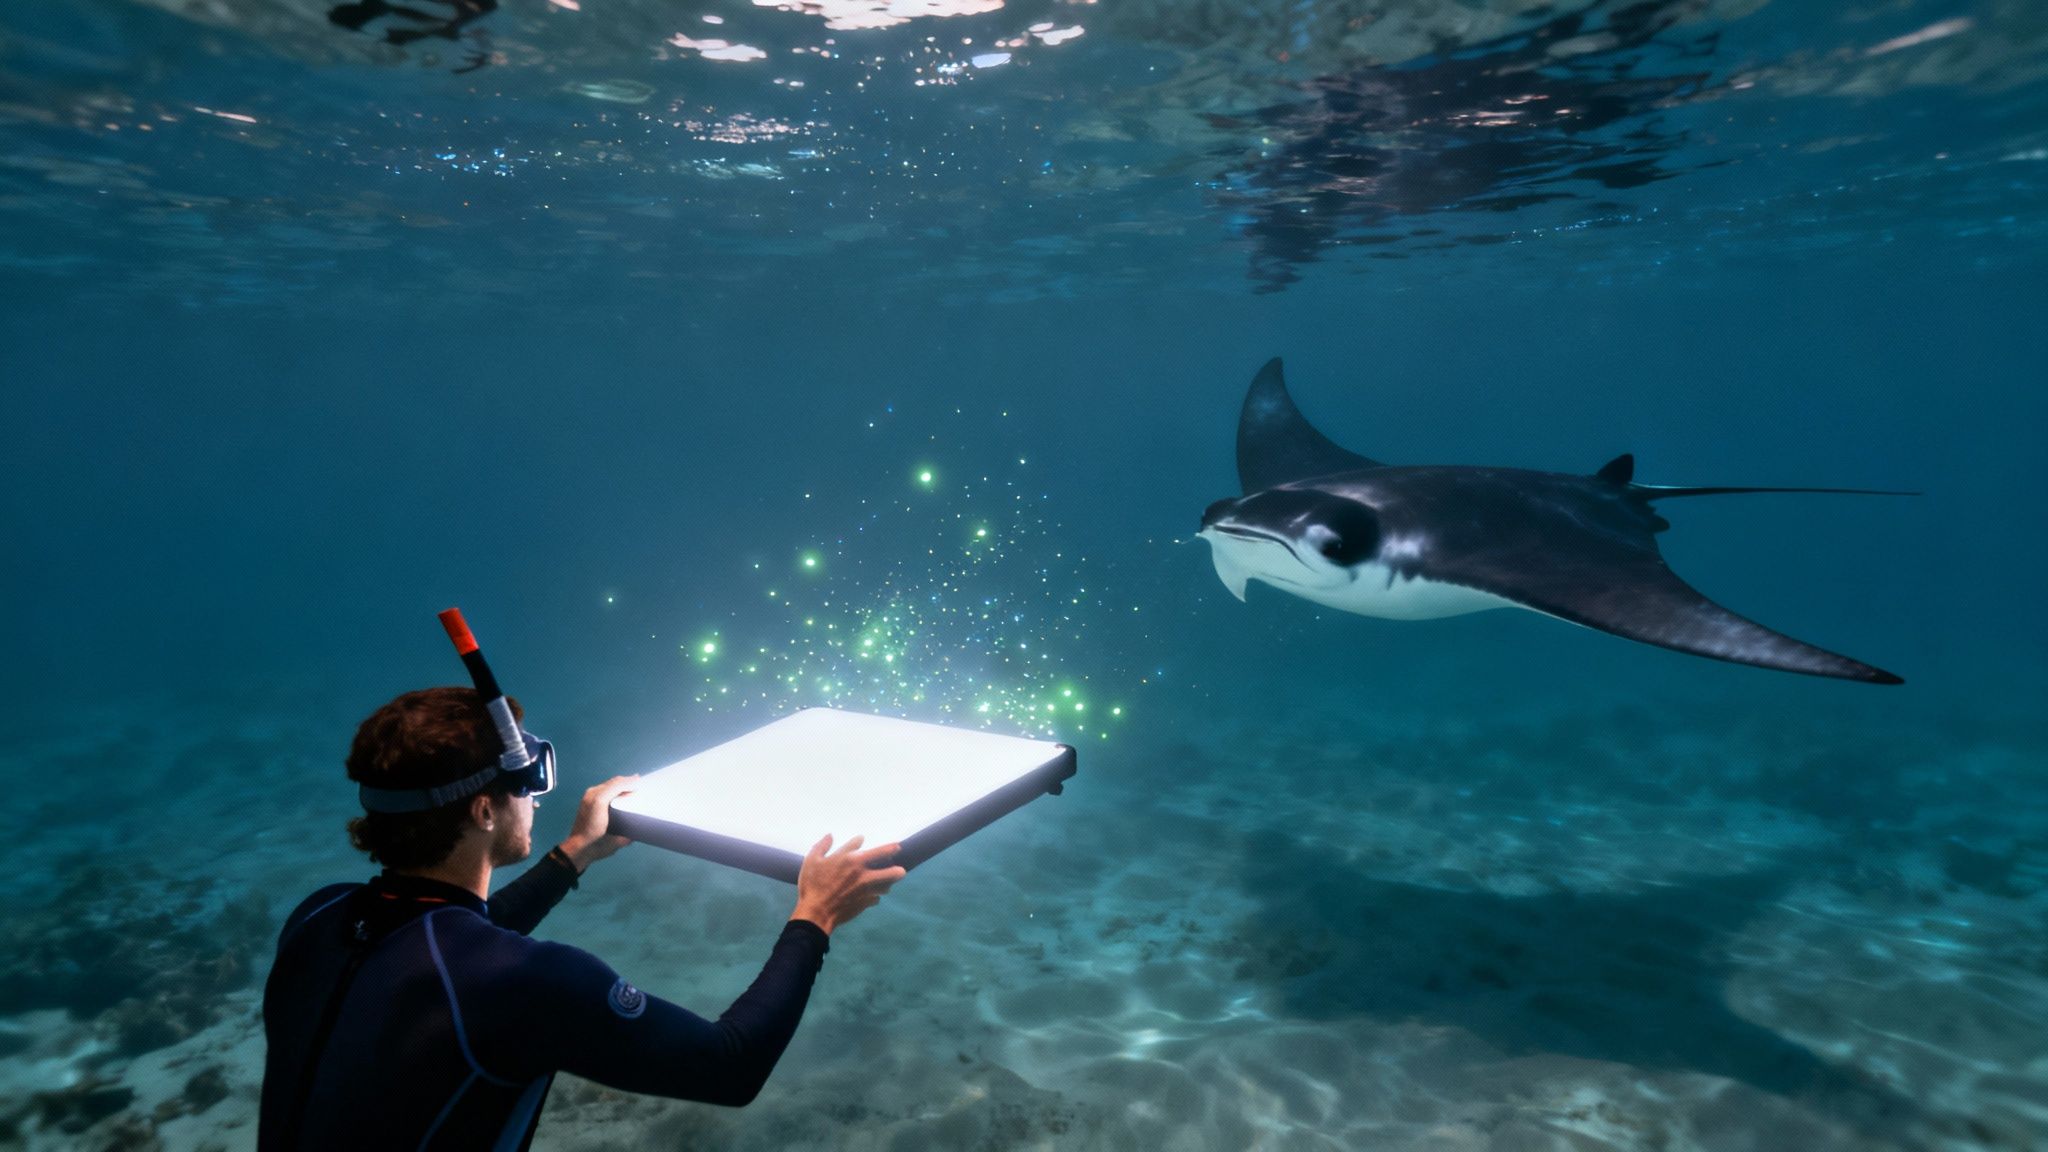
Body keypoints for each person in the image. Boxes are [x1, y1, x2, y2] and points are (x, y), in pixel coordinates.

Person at [258, 686, 904, 1150]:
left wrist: (575, 854)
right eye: (527, 780)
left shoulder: (319, 917)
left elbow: (450, 943)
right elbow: (730, 1066)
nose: (536, 798)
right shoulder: (529, 982)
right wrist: (815, 914)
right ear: (484, 811)